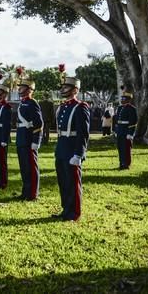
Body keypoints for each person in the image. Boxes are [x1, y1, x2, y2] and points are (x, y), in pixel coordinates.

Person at [54, 76, 89, 221]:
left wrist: (78, 154)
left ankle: (74, 213)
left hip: (72, 151)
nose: (63, 89)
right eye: (62, 87)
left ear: (75, 90)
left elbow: (83, 133)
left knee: (73, 183)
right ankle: (66, 210)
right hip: (62, 148)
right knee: (63, 182)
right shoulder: (63, 106)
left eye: (66, 87)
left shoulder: (80, 107)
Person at [16, 78, 43, 200]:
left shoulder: (32, 103)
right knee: (24, 167)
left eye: (21, 87)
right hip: (21, 138)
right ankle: (25, 192)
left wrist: (36, 141)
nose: (19, 89)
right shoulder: (22, 103)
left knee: (31, 167)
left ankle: (33, 194)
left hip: (28, 139)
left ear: (28, 90)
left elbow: (39, 123)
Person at [114, 90, 137, 169]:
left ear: (128, 100)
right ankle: (121, 163)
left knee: (126, 148)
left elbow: (133, 122)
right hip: (120, 131)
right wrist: (116, 131)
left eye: (124, 99)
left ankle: (126, 164)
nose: (122, 100)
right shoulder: (120, 108)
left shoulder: (132, 109)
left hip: (126, 131)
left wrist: (130, 134)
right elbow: (117, 120)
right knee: (120, 148)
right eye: (122, 99)